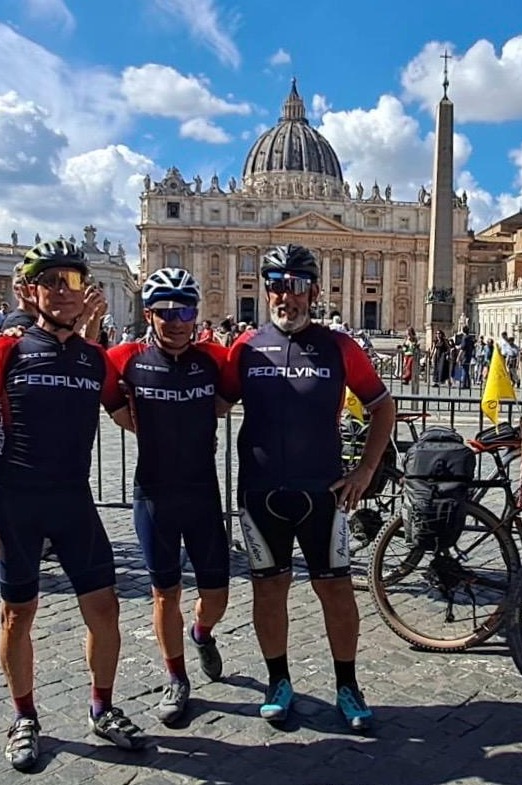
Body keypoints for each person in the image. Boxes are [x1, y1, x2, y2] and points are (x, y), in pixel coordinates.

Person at [0, 238, 148, 772]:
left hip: (74, 500)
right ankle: (24, 716)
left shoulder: (94, 359)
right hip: (17, 500)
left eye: (72, 281)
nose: (63, 293)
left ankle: (102, 707)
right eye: (51, 282)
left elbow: (127, 415)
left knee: (105, 608)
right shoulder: (6, 351)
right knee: (18, 614)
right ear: (28, 290)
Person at [218, 244, 394, 733]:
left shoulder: (340, 347)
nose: (285, 296)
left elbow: (383, 406)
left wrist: (364, 473)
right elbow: (210, 402)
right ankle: (279, 681)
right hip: (260, 494)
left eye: (296, 286)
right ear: (266, 289)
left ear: (313, 291)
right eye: (276, 284)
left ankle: (347, 685)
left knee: (336, 592)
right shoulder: (246, 347)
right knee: (269, 590)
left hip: (325, 493)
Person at [104, 268, 229, 726]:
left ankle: (201, 632)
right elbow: (115, 408)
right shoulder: (124, 359)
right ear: (149, 314)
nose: (177, 321)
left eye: (186, 311)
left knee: (216, 594)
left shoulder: (214, 359)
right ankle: (176, 676)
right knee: (165, 593)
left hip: (202, 492)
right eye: (166, 312)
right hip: (153, 491)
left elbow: (225, 401)